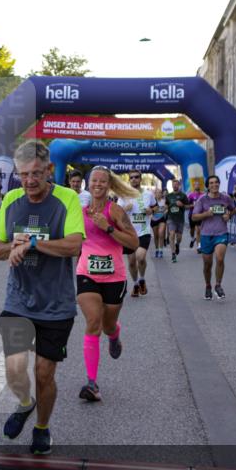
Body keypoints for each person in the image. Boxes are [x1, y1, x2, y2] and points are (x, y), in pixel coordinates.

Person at [0, 140, 84, 455]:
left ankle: (42, 428)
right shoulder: (12, 199)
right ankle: (25, 403)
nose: (29, 181)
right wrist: (13, 245)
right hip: (18, 300)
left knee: (44, 374)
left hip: (56, 305)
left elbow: (73, 246)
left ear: (50, 170)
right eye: (23, 174)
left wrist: (31, 243)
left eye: (35, 173)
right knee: (14, 368)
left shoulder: (67, 199)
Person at [75, 166, 139, 401]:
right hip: (86, 273)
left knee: (108, 324)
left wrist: (109, 228)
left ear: (109, 185)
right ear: (88, 184)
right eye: (94, 181)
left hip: (114, 277)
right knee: (93, 322)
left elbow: (133, 243)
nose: (98, 184)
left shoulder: (117, 211)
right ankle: (92, 383)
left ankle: (114, 335)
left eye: (103, 181)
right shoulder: (79, 212)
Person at [190, 175, 236, 301]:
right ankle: (208, 286)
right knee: (207, 264)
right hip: (206, 234)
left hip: (221, 233)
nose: (214, 185)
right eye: (211, 183)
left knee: (220, 259)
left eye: (216, 182)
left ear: (219, 184)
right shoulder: (202, 200)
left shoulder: (225, 198)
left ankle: (218, 285)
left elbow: (234, 209)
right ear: (208, 186)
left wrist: (229, 215)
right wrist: (206, 214)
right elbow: (194, 217)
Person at [118, 171, 157, 297]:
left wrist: (151, 210)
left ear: (140, 179)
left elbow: (155, 207)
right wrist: (125, 210)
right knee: (131, 262)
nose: (134, 179)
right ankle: (135, 284)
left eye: (136, 177)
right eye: (131, 178)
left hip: (144, 231)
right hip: (129, 233)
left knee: (140, 257)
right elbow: (116, 214)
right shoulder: (124, 195)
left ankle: (142, 279)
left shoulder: (148, 194)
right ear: (129, 180)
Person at [165, 179, 189, 263]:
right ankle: (173, 254)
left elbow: (188, 206)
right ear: (172, 186)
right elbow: (166, 205)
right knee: (171, 234)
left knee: (179, 237)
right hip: (171, 218)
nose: (175, 186)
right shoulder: (168, 196)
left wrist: (182, 205)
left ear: (179, 185)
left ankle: (177, 244)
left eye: (176, 185)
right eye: (173, 184)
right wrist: (165, 208)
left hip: (180, 219)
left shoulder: (183, 195)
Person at [186, 177, 205, 251]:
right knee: (192, 230)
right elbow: (187, 206)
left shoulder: (203, 195)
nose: (197, 186)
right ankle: (192, 238)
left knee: (198, 230)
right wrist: (193, 205)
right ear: (193, 186)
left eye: (198, 184)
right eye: (195, 185)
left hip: (199, 215)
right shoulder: (190, 195)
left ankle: (199, 247)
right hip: (192, 215)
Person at [150, 187, 167, 259]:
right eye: (157, 193)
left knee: (161, 234)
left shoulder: (164, 201)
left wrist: (165, 211)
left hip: (162, 219)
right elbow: (148, 210)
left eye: (160, 192)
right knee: (156, 236)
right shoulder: (152, 202)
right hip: (154, 220)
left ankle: (161, 250)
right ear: (155, 194)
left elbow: (167, 208)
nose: (158, 194)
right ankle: (157, 249)